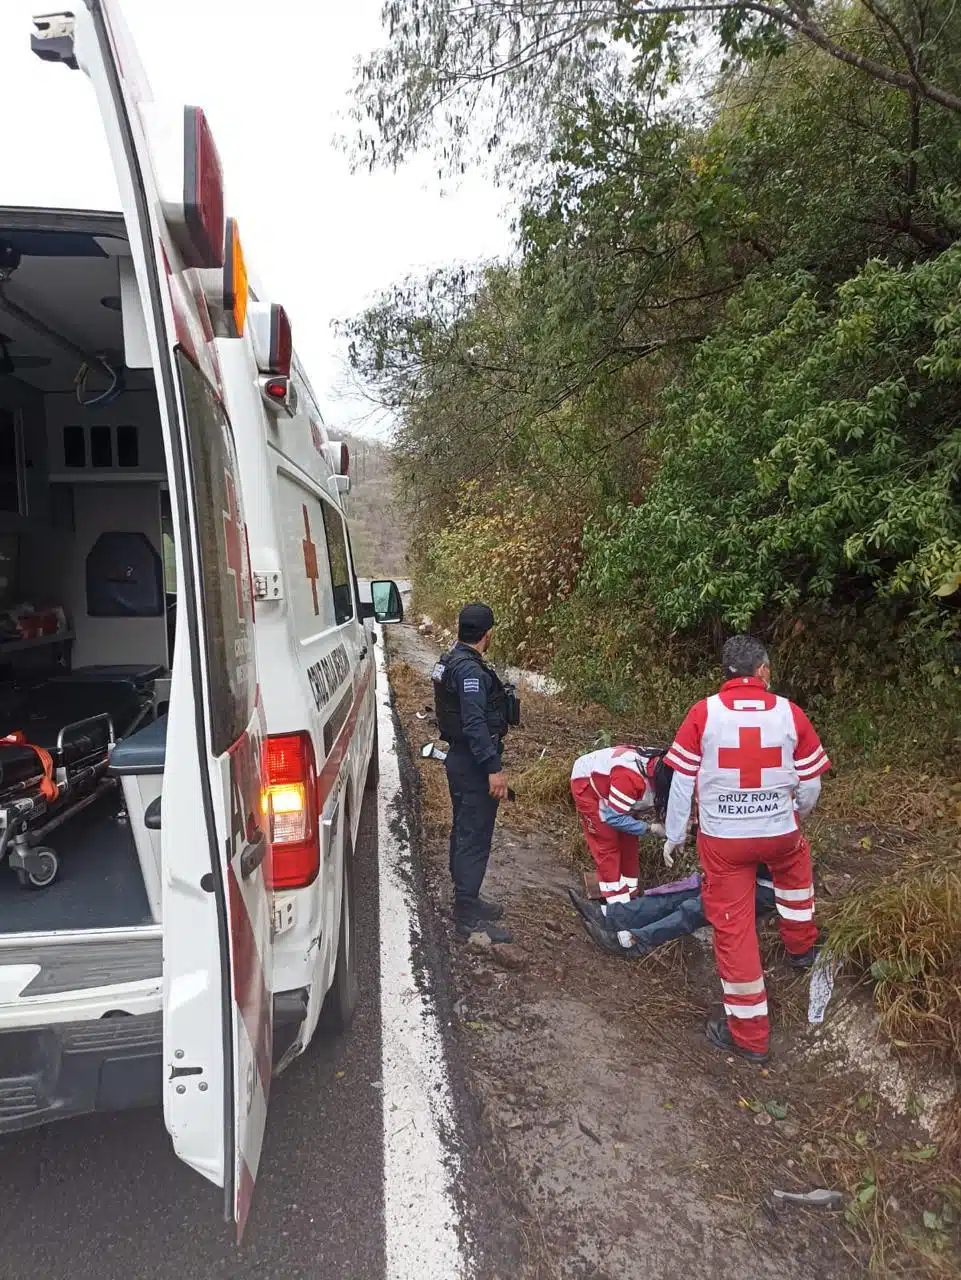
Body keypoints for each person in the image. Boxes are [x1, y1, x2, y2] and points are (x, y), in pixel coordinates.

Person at [663, 634, 830, 1063]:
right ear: (762, 671)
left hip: (723, 841)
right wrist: (794, 817)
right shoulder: (790, 713)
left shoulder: (704, 713)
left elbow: (682, 782)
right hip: (779, 831)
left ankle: (750, 1037)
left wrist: (675, 834)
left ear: (727, 673)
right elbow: (810, 784)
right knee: (794, 876)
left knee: (734, 930)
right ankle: (801, 949)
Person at [433, 603, 517, 942]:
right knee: (474, 836)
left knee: (465, 829)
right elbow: (474, 723)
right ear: (487, 634)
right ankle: (466, 916)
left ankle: (468, 898)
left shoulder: (451, 659)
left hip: (461, 759)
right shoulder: (469, 672)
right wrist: (493, 770)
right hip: (473, 763)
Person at [569, 745, 669, 949]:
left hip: (616, 789)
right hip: (589, 786)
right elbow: (613, 817)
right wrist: (649, 828)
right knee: (607, 846)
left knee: (629, 843)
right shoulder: (629, 777)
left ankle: (630, 901)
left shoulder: (665, 768)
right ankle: (618, 917)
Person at [569, 867, 777, 956]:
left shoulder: (777, 817)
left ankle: (632, 942)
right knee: (675, 895)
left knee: (694, 909)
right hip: (739, 876)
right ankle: (610, 916)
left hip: (765, 888)